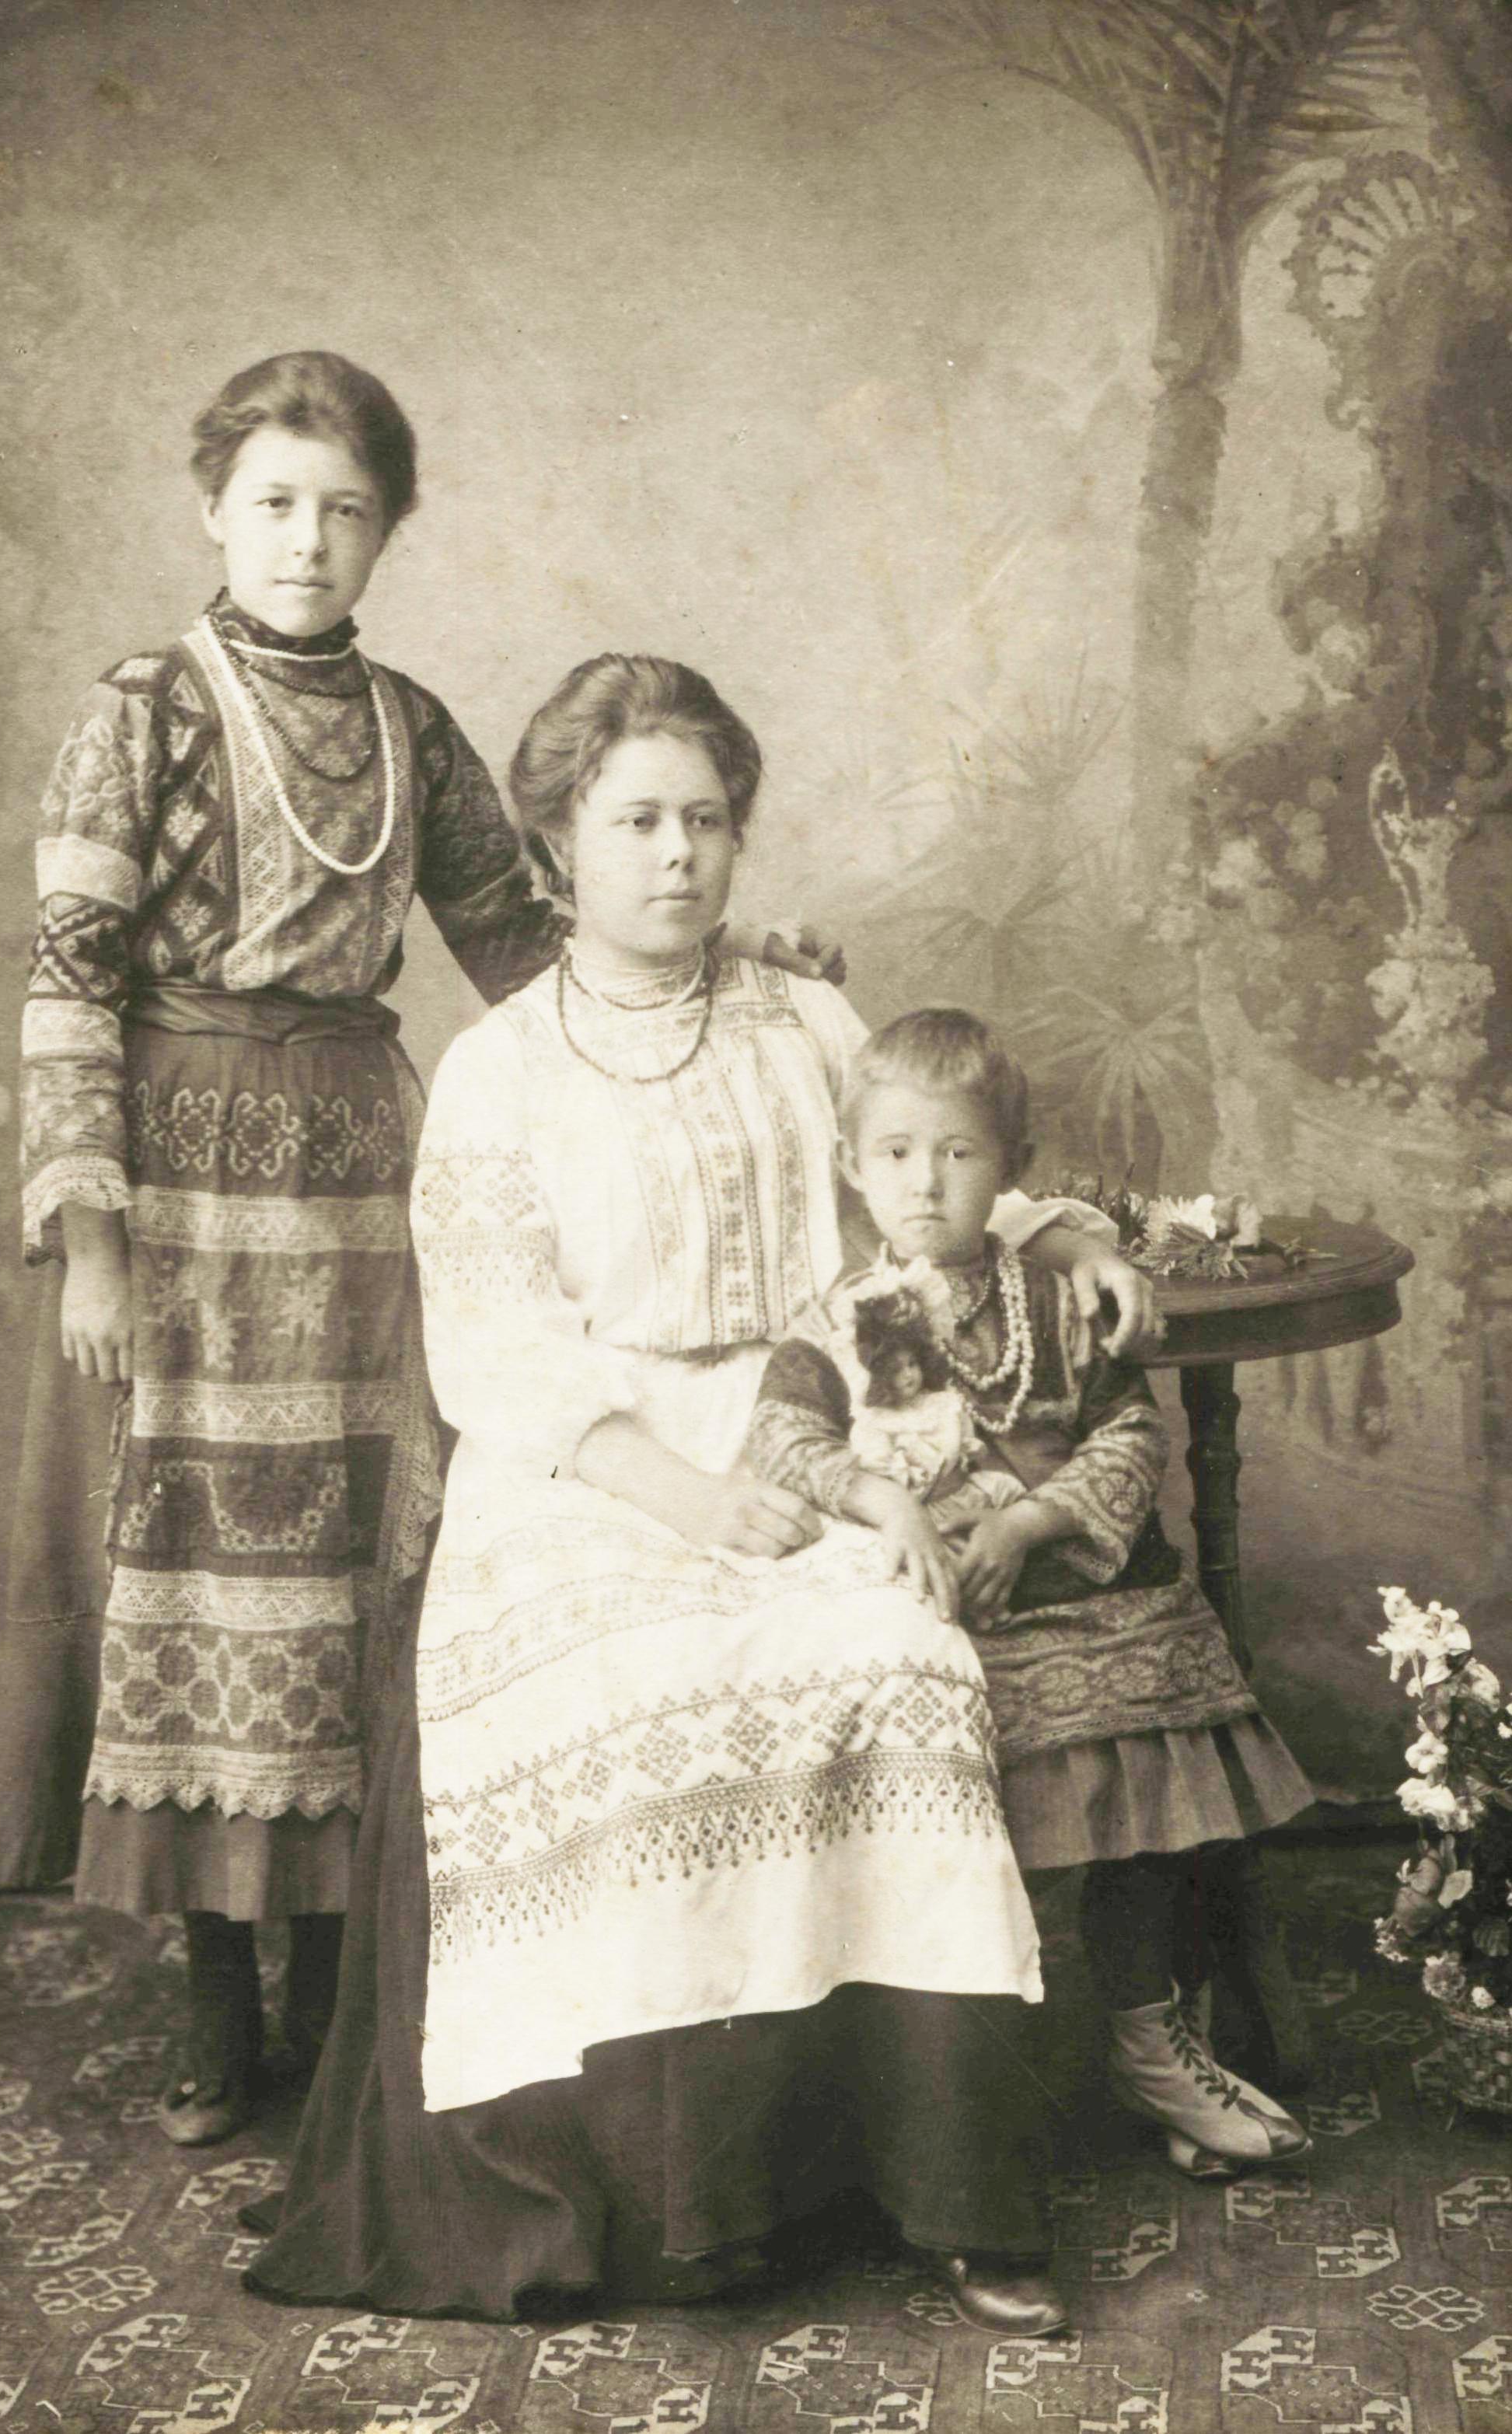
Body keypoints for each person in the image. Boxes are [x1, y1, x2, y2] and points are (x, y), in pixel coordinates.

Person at [245, 654, 1154, 2325]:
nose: (678, 854)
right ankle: (687, 2205)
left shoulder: (803, 1019)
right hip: (583, 1455)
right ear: (555, 845)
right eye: (637, 822)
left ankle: (949, 2187)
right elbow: (497, 1350)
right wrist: (678, 1493)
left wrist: (1071, 1236)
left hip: (817, 1413)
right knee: (640, 1676)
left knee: (895, 1654)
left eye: (708, 820)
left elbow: (920, 1173)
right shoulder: (500, 1069)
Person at [3, 354, 837, 2149]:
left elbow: (537, 937)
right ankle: (212, 1997)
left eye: (347, 509)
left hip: (364, 1185)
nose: (308, 540)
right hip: (182, 1189)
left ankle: (332, 1994)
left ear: (387, 530)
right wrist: (90, 1238)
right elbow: (69, 977)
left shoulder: (408, 728)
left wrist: (740, 962)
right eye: (275, 503)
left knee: (350, 1582)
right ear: (214, 508)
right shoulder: (141, 709)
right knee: (196, 1572)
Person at [744, 1007, 1316, 2178]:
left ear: (1010, 1167)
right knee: (957, 1778)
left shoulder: (1052, 1299)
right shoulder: (844, 1319)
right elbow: (783, 1440)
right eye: (896, 1152)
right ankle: (979, 2083)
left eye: (958, 1153)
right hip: (950, 1610)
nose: (925, 1182)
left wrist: (1032, 1517)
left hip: (1086, 1593)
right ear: (853, 1166)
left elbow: (1129, 1432)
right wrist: (884, 1500)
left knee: (1141, 1764)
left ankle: (1153, 2044)